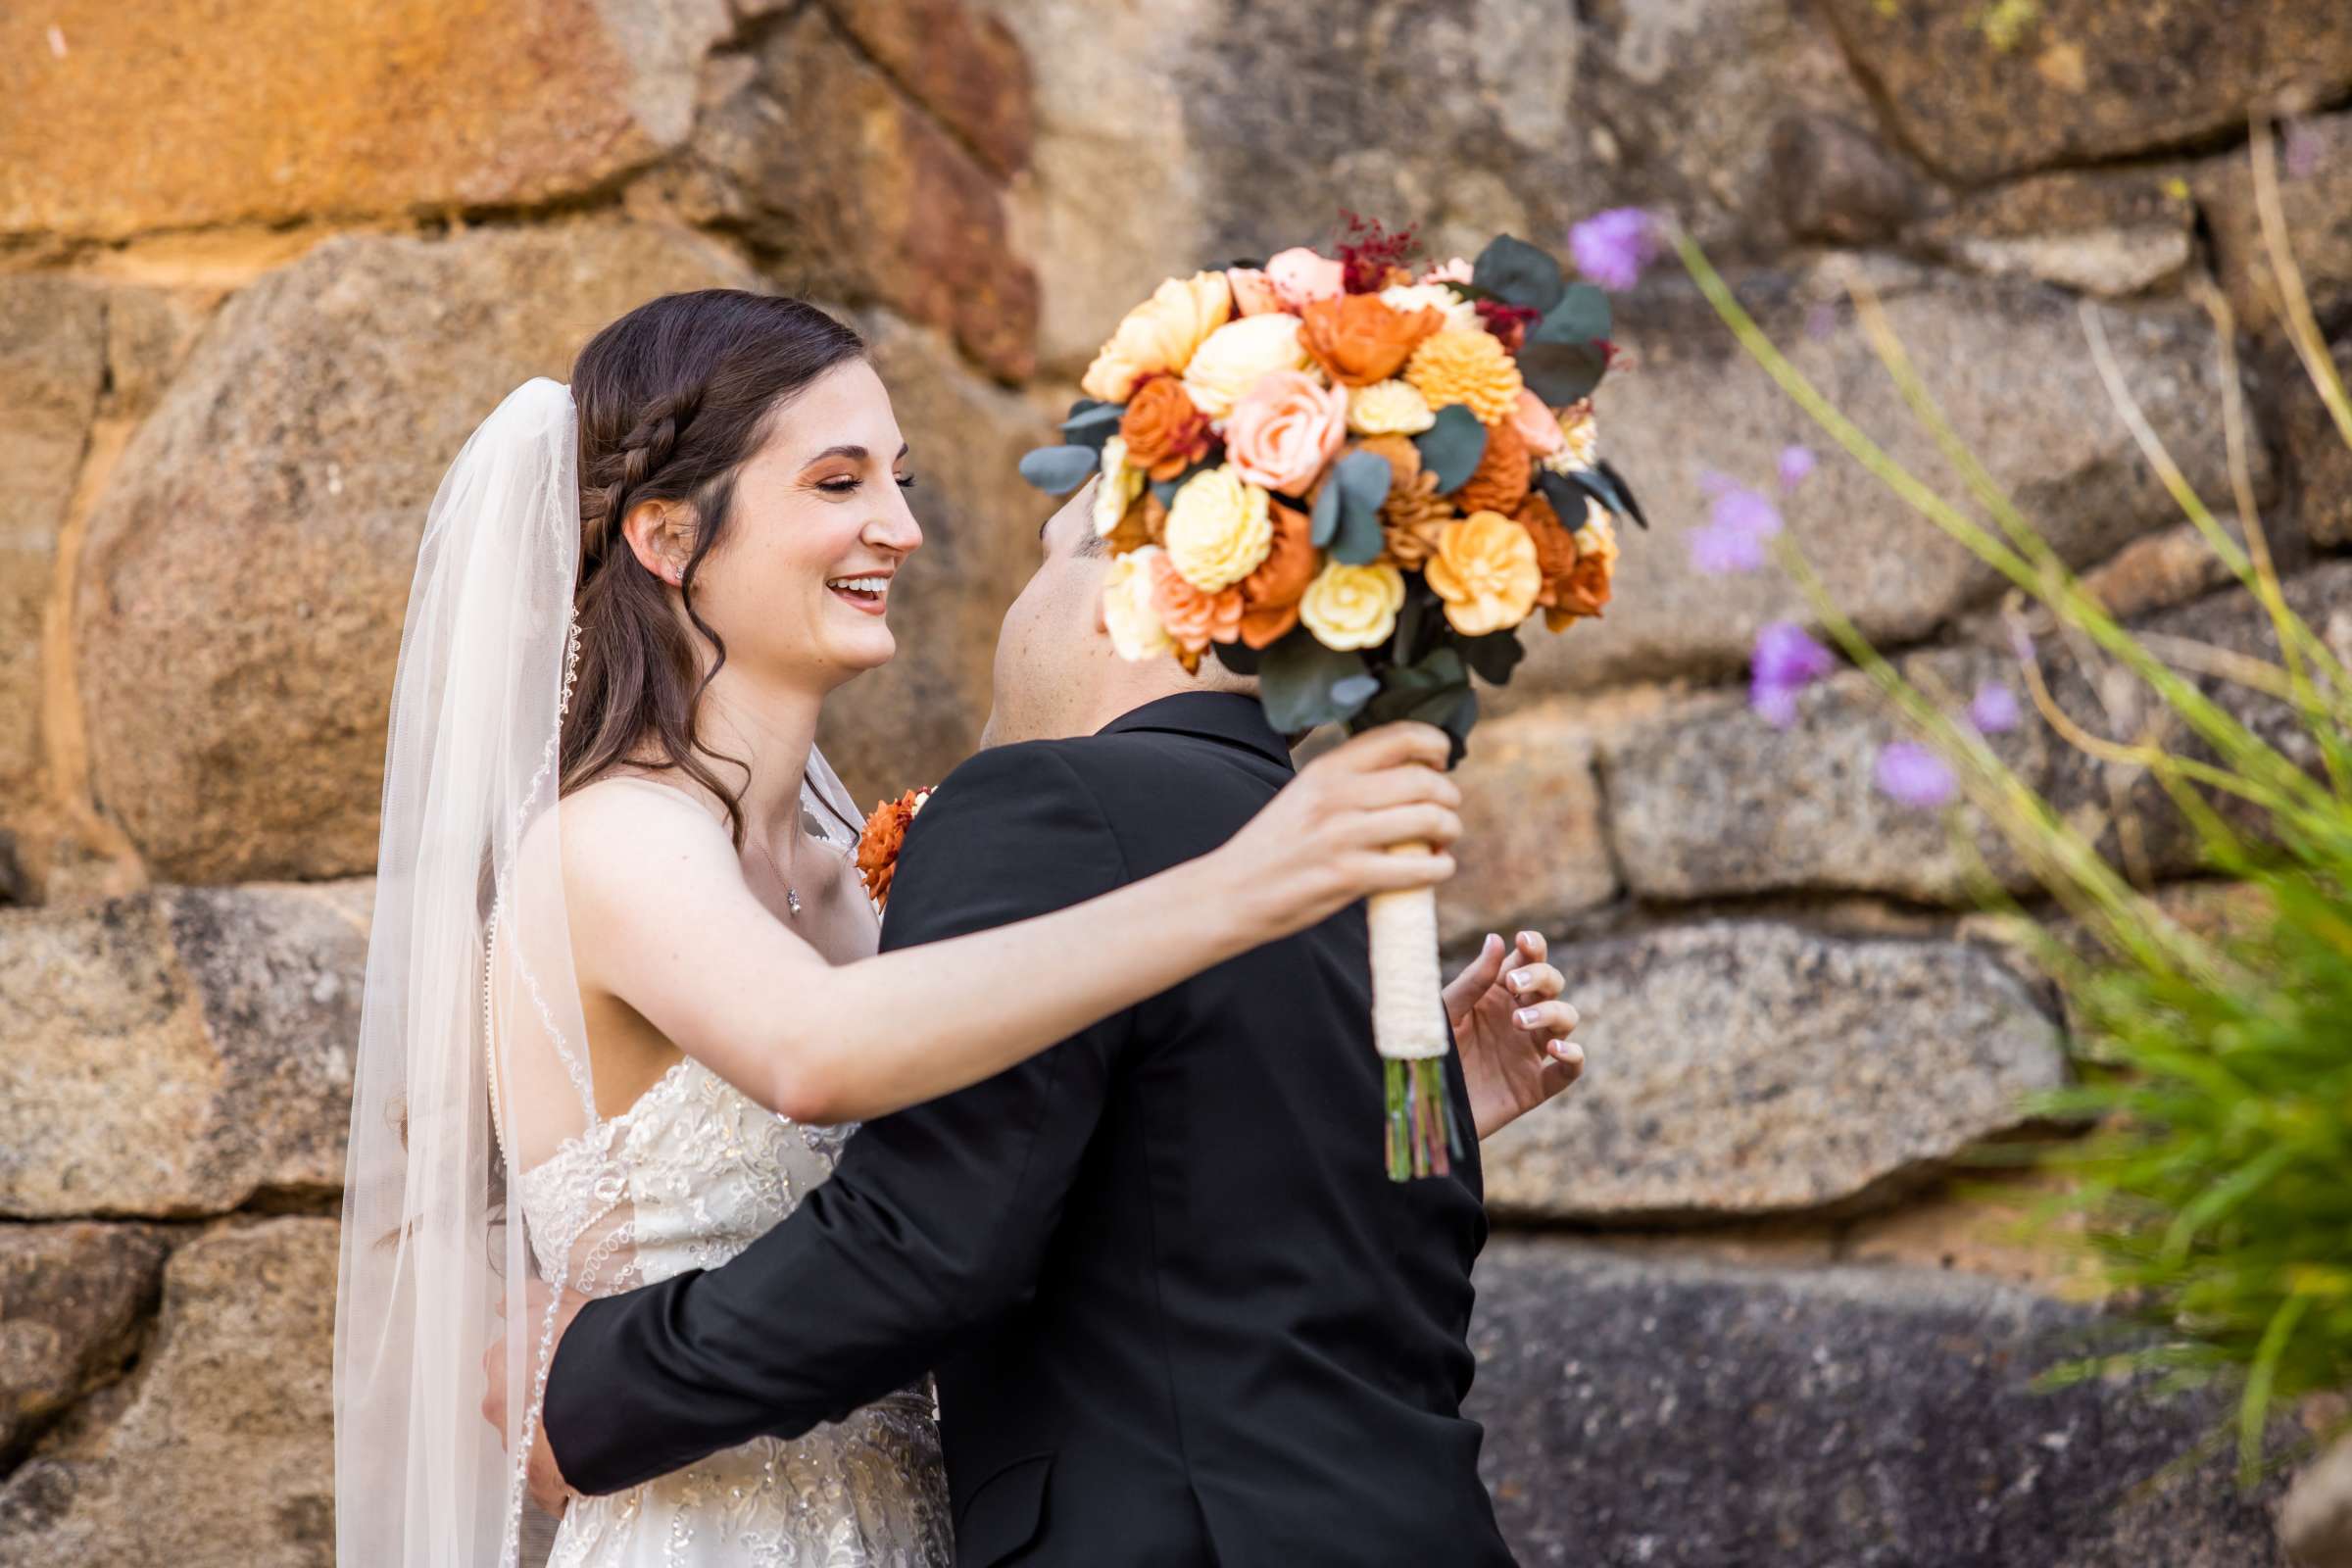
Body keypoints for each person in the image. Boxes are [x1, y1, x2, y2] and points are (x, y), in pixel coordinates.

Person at [333, 290, 1572, 1568]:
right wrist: (1240, 888)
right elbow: (813, 1050)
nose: (904, 528)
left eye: (901, 479)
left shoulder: (862, 871)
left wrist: (1390, 1110)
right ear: (666, 534)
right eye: (836, 481)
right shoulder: (615, 841)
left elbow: (1023, 1184)